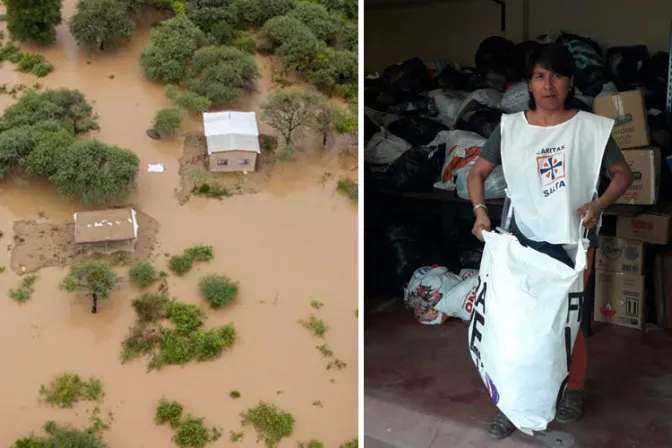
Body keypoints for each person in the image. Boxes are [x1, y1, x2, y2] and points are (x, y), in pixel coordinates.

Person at [466, 42, 633, 440]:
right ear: (528, 84)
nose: (548, 84)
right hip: (522, 244)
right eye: (540, 76)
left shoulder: (590, 129)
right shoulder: (509, 128)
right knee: (515, 328)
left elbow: (622, 174)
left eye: (556, 76)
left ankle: (571, 390)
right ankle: (511, 400)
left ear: (570, 81)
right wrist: (479, 211)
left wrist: (600, 202)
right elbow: (476, 174)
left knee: (564, 326)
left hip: (572, 245)